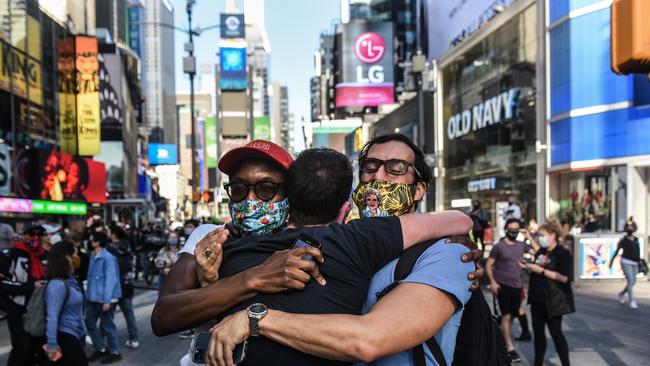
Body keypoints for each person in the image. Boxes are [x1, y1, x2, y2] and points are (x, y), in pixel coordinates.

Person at [203, 135, 481, 366]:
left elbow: (370, 340)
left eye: (395, 167)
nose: (379, 177)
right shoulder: (353, 239)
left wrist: (256, 319)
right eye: (370, 166)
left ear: (419, 189)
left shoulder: (448, 252)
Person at [520, 222, 574, 366]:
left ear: (552, 235)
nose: (540, 239)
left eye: (542, 236)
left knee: (556, 334)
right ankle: (538, 363)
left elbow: (564, 278)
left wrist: (541, 271)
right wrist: (528, 267)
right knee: (538, 335)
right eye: (539, 236)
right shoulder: (543, 251)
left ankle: (565, 363)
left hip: (554, 300)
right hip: (537, 299)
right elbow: (537, 259)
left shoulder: (563, 253)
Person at [0, 225, 51, 365]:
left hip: (41, 311)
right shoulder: (9, 255)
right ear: (23, 235)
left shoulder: (45, 256)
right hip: (18, 310)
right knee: (22, 349)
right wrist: (29, 287)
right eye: (31, 234)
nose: (35, 238)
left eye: (38, 235)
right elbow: (2, 283)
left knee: (41, 349)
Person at [486, 218, 534, 362]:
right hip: (503, 285)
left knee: (512, 316)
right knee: (506, 316)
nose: (513, 231)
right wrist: (493, 283)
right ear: (506, 229)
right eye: (511, 229)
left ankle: (504, 341)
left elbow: (537, 252)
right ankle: (509, 347)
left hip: (517, 286)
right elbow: (489, 265)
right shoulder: (498, 246)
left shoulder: (521, 245)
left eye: (516, 229)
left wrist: (529, 237)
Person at [43, 241, 88, 366]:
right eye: (74, 253)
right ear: (67, 257)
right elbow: (52, 316)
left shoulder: (70, 281)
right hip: (65, 338)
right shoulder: (56, 285)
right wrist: (52, 345)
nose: (77, 257)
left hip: (75, 335)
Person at [85, 232, 122, 364]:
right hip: (93, 298)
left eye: (91, 239)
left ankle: (114, 351)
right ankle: (100, 348)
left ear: (97, 242)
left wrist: (106, 300)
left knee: (108, 326)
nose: (90, 241)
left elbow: (110, 280)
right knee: (89, 323)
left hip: (104, 300)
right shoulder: (93, 256)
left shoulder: (108, 258)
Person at [107, 225, 139, 349]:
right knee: (129, 313)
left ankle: (103, 339)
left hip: (114, 285)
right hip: (127, 284)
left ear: (114, 234)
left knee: (107, 315)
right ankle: (134, 338)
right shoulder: (128, 246)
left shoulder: (110, 248)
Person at [611, 218, 641, 309]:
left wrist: (639, 261)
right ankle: (632, 300)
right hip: (626, 262)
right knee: (630, 281)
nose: (630, 229)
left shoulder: (636, 239)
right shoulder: (623, 240)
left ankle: (621, 293)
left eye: (632, 227)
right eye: (628, 227)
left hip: (635, 263)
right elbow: (617, 251)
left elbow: (637, 251)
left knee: (633, 282)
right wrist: (611, 261)